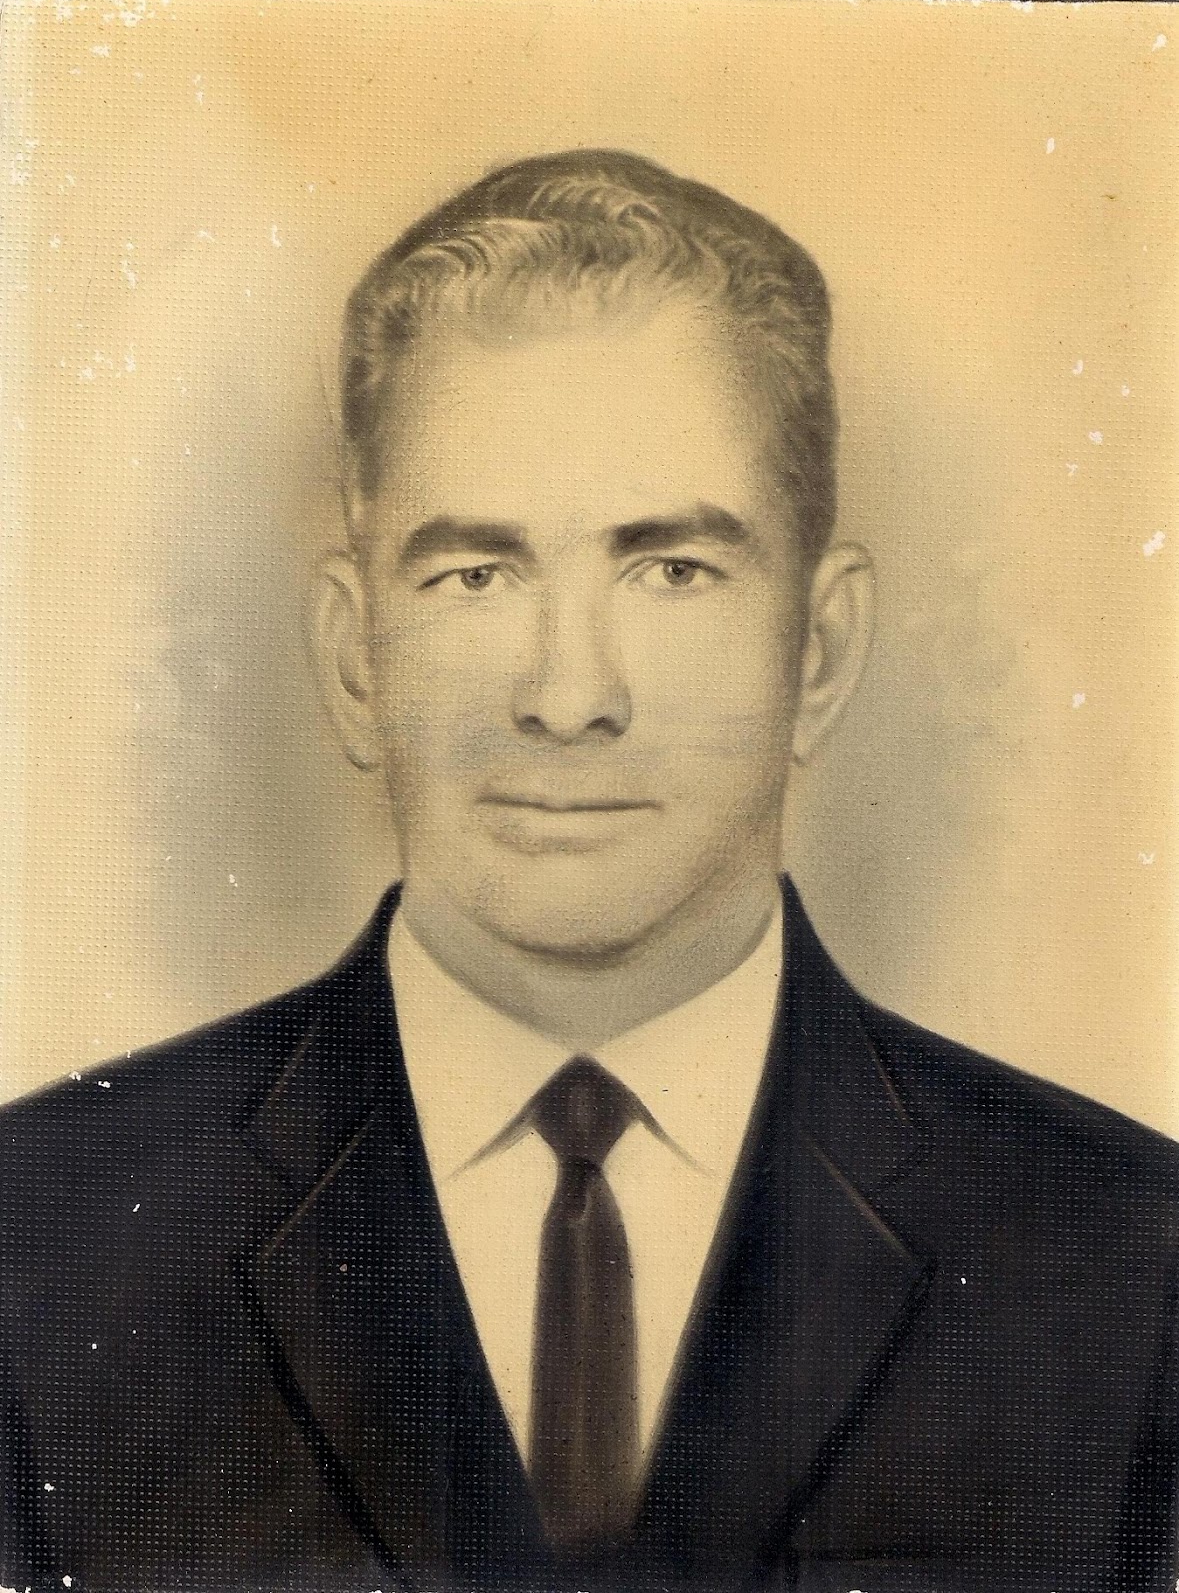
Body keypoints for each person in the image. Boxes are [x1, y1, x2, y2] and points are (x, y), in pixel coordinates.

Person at [1, 150, 1176, 1593]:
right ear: (354, 659)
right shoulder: (38, 1246)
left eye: (671, 569)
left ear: (819, 651)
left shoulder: (1132, 1266)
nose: (569, 698)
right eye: (474, 575)